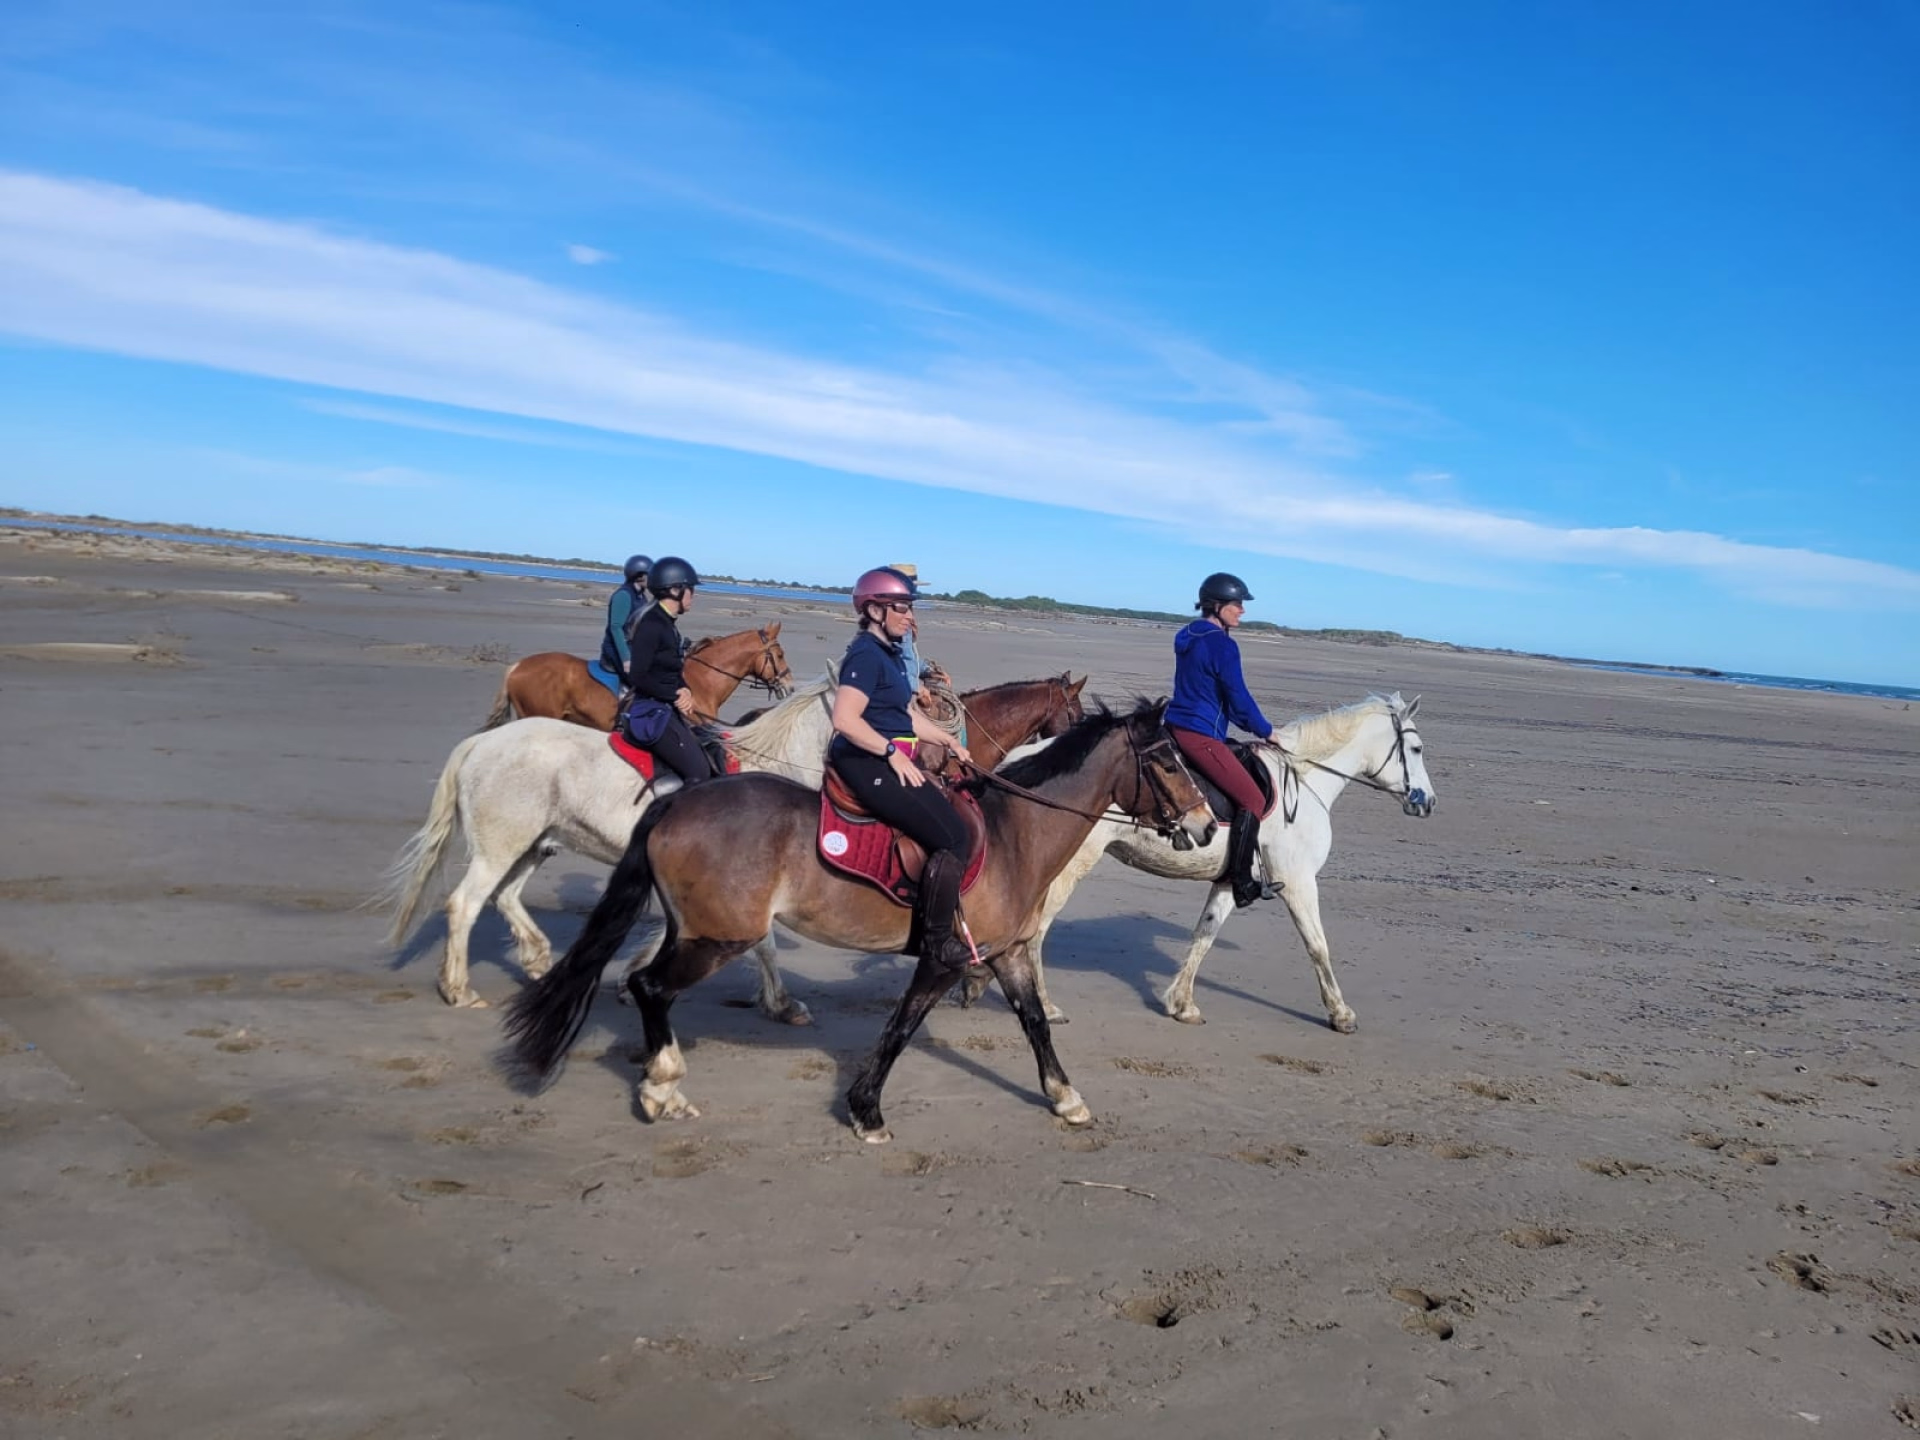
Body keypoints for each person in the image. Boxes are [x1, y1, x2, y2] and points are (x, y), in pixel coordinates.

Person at [828, 566, 977, 968]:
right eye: (902, 608)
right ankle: (936, 940)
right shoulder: (864, 655)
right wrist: (890, 753)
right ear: (875, 610)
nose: (911, 617)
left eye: (910, 608)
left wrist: (944, 738)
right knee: (954, 837)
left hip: (886, 753)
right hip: (864, 760)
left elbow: (901, 716)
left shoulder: (889, 654)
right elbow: (844, 719)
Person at [1165, 571, 1278, 908]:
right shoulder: (1222, 645)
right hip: (1200, 735)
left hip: (1173, 725)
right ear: (1217, 606)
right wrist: (1267, 731)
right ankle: (1242, 882)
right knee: (1253, 801)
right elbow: (1238, 699)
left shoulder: (1186, 634)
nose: (1242, 610)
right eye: (1237, 603)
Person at [619, 556, 717, 785]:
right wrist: (673, 696)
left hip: (664, 707)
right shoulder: (652, 625)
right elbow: (638, 676)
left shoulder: (667, 624)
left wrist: (684, 690)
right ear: (675, 590)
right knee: (700, 773)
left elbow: (670, 671)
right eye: (690, 589)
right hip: (650, 711)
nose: (693, 595)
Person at [594, 554, 650, 695]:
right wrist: (626, 659)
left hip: (633, 648)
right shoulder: (623, 595)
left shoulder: (641, 596)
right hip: (616, 650)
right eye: (650, 574)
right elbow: (616, 627)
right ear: (639, 576)